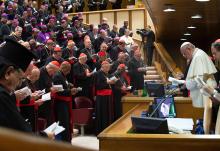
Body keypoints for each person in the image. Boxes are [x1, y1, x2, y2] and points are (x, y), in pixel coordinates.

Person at [0, 38, 53, 138]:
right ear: (8, 73)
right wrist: (46, 137)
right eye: (20, 79)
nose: (19, 84)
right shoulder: (2, 96)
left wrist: (13, 97)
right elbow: (23, 135)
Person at [180, 42, 217, 134]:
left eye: (184, 53)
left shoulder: (198, 56)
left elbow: (198, 79)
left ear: (189, 49)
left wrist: (186, 84)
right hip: (206, 90)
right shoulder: (198, 54)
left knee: (205, 121)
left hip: (206, 92)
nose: (184, 56)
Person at [52, 61, 78, 142]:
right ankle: (65, 143)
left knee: (66, 123)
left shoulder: (62, 75)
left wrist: (68, 85)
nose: (69, 72)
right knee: (64, 123)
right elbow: (59, 91)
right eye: (68, 70)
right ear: (64, 68)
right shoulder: (57, 76)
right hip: (61, 104)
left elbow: (63, 86)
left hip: (65, 103)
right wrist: (70, 91)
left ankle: (67, 141)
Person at [94, 61, 116, 134]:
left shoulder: (107, 74)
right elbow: (98, 86)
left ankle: (108, 128)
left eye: (108, 67)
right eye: (106, 67)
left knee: (108, 113)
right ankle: (102, 130)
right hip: (102, 97)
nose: (107, 69)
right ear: (102, 67)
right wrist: (108, 82)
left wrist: (112, 82)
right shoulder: (98, 73)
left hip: (108, 96)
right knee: (103, 114)